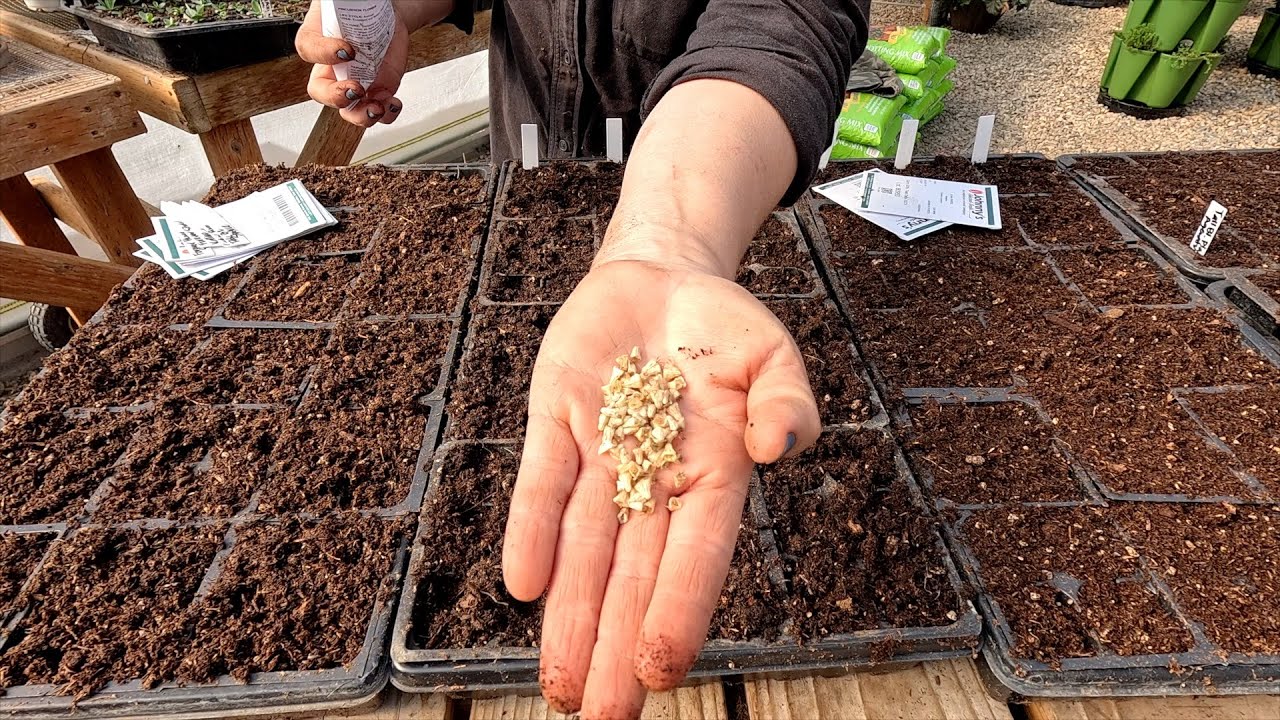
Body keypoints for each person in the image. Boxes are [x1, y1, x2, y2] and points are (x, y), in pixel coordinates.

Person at [295, 1, 868, 716]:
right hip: (531, 164)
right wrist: (388, 10)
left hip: (711, 177)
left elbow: (781, 24)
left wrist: (664, 242)